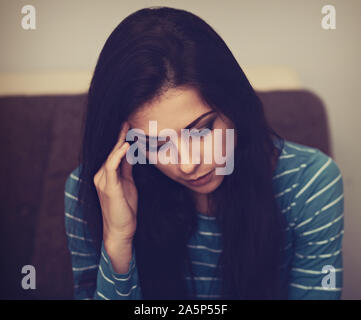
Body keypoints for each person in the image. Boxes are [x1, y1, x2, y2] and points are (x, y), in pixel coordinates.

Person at [64, 6, 344, 300]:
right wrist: (119, 241)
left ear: (234, 105)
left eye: (202, 129)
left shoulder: (309, 183)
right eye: (156, 144)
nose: (187, 164)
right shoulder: (95, 192)